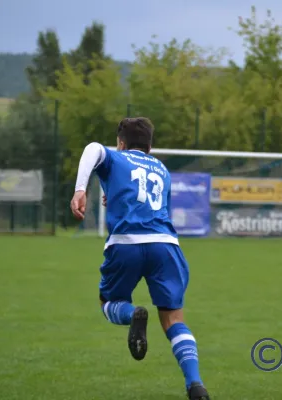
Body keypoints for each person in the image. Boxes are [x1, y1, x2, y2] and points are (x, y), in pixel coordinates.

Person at [70, 117, 209, 400]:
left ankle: (132, 314)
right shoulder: (162, 168)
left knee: (108, 302)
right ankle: (195, 384)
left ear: (121, 143)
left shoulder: (117, 158)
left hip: (127, 244)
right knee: (173, 318)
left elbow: (94, 148)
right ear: (150, 145)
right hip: (166, 246)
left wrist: (80, 189)